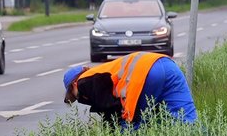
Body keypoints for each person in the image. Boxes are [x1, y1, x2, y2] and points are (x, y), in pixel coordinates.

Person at [63, 51, 197, 129]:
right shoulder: (103, 69)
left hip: (144, 74)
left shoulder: (84, 81)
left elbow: (111, 108)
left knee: (131, 128)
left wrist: (112, 131)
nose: (77, 98)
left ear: (74, 84)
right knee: (187, 119)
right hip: (166, 64)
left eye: (73, 95)